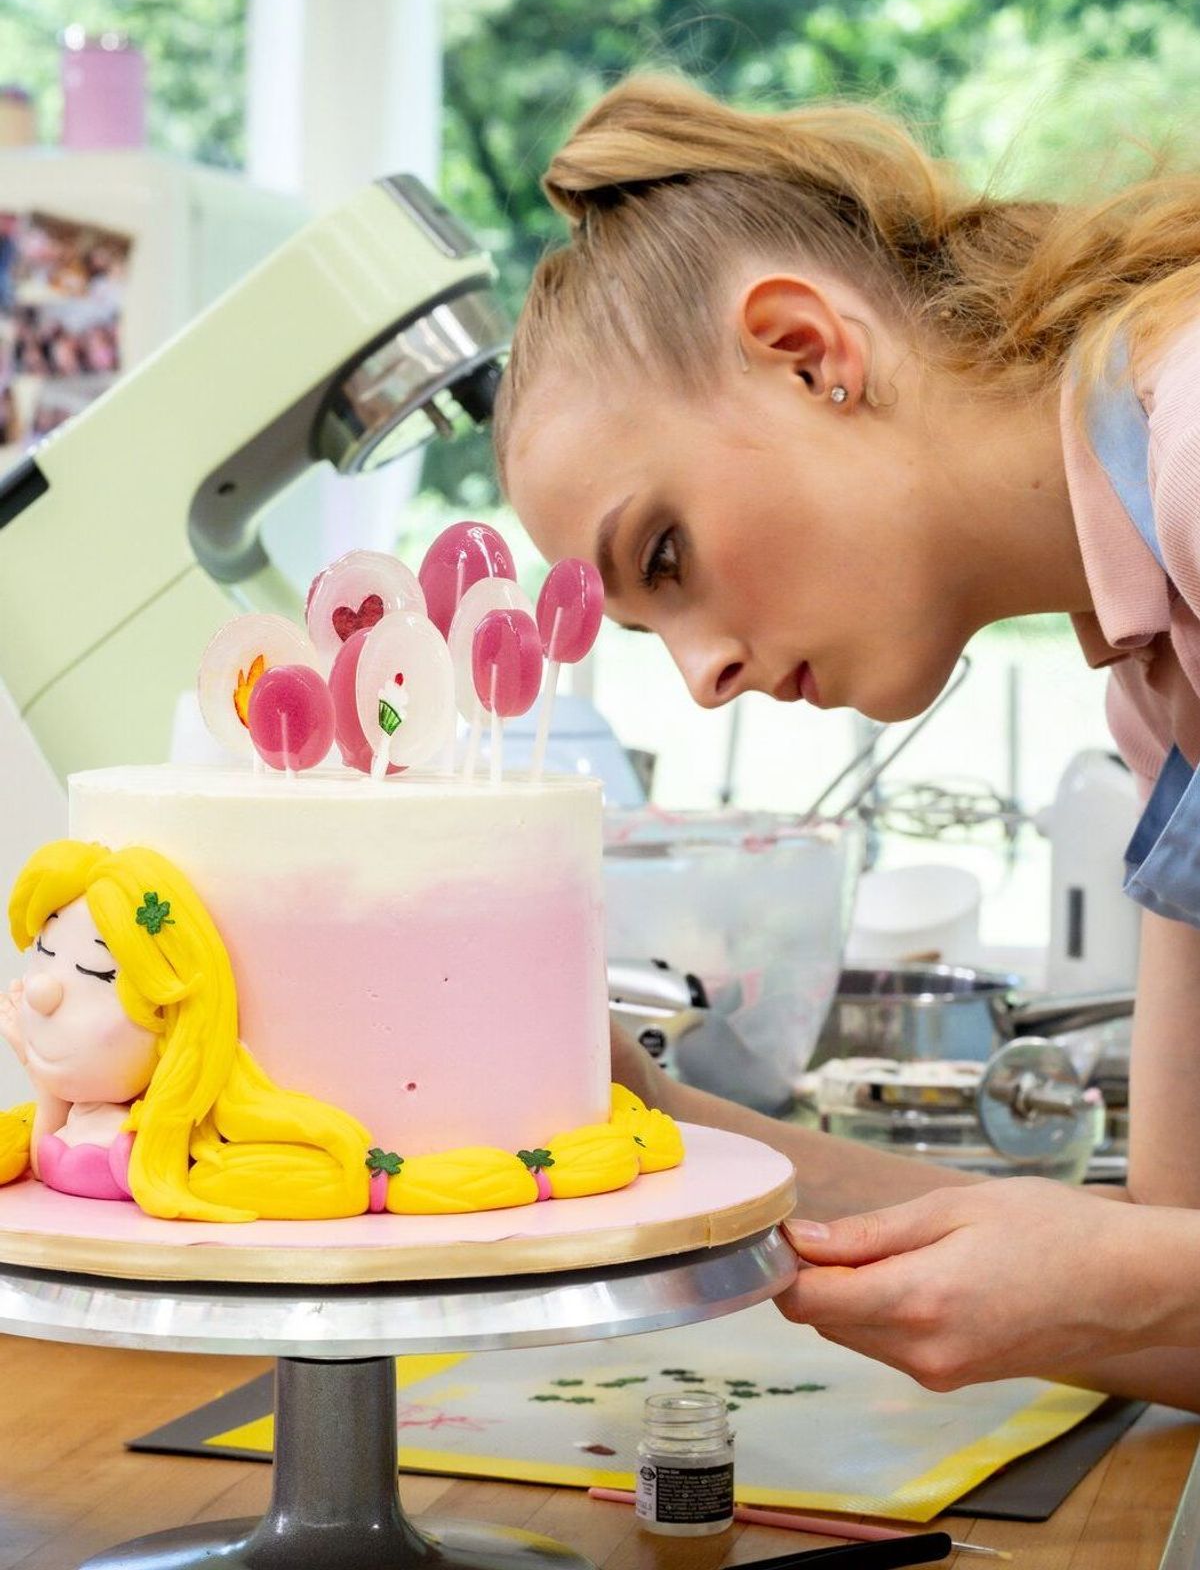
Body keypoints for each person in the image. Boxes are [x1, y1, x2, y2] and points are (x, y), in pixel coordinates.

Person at [493, 72, 1200, 1411]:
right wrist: (662, 1132)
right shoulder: (1161, 690)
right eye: (650, 630)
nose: (703, 678)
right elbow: (1177, 1278)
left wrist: (1129, 1279)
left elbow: (1153, 1280)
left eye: (667, 553)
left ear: (811, 349)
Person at [0, 839, 373, 1220]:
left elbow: (52, 1165)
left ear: (171, 1020)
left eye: (97, 971)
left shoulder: (138, 1144)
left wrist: (39, 1072)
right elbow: (46, 1162)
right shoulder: (88, 1113)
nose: (41, 992)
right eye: (44, 953)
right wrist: (38, 1070)